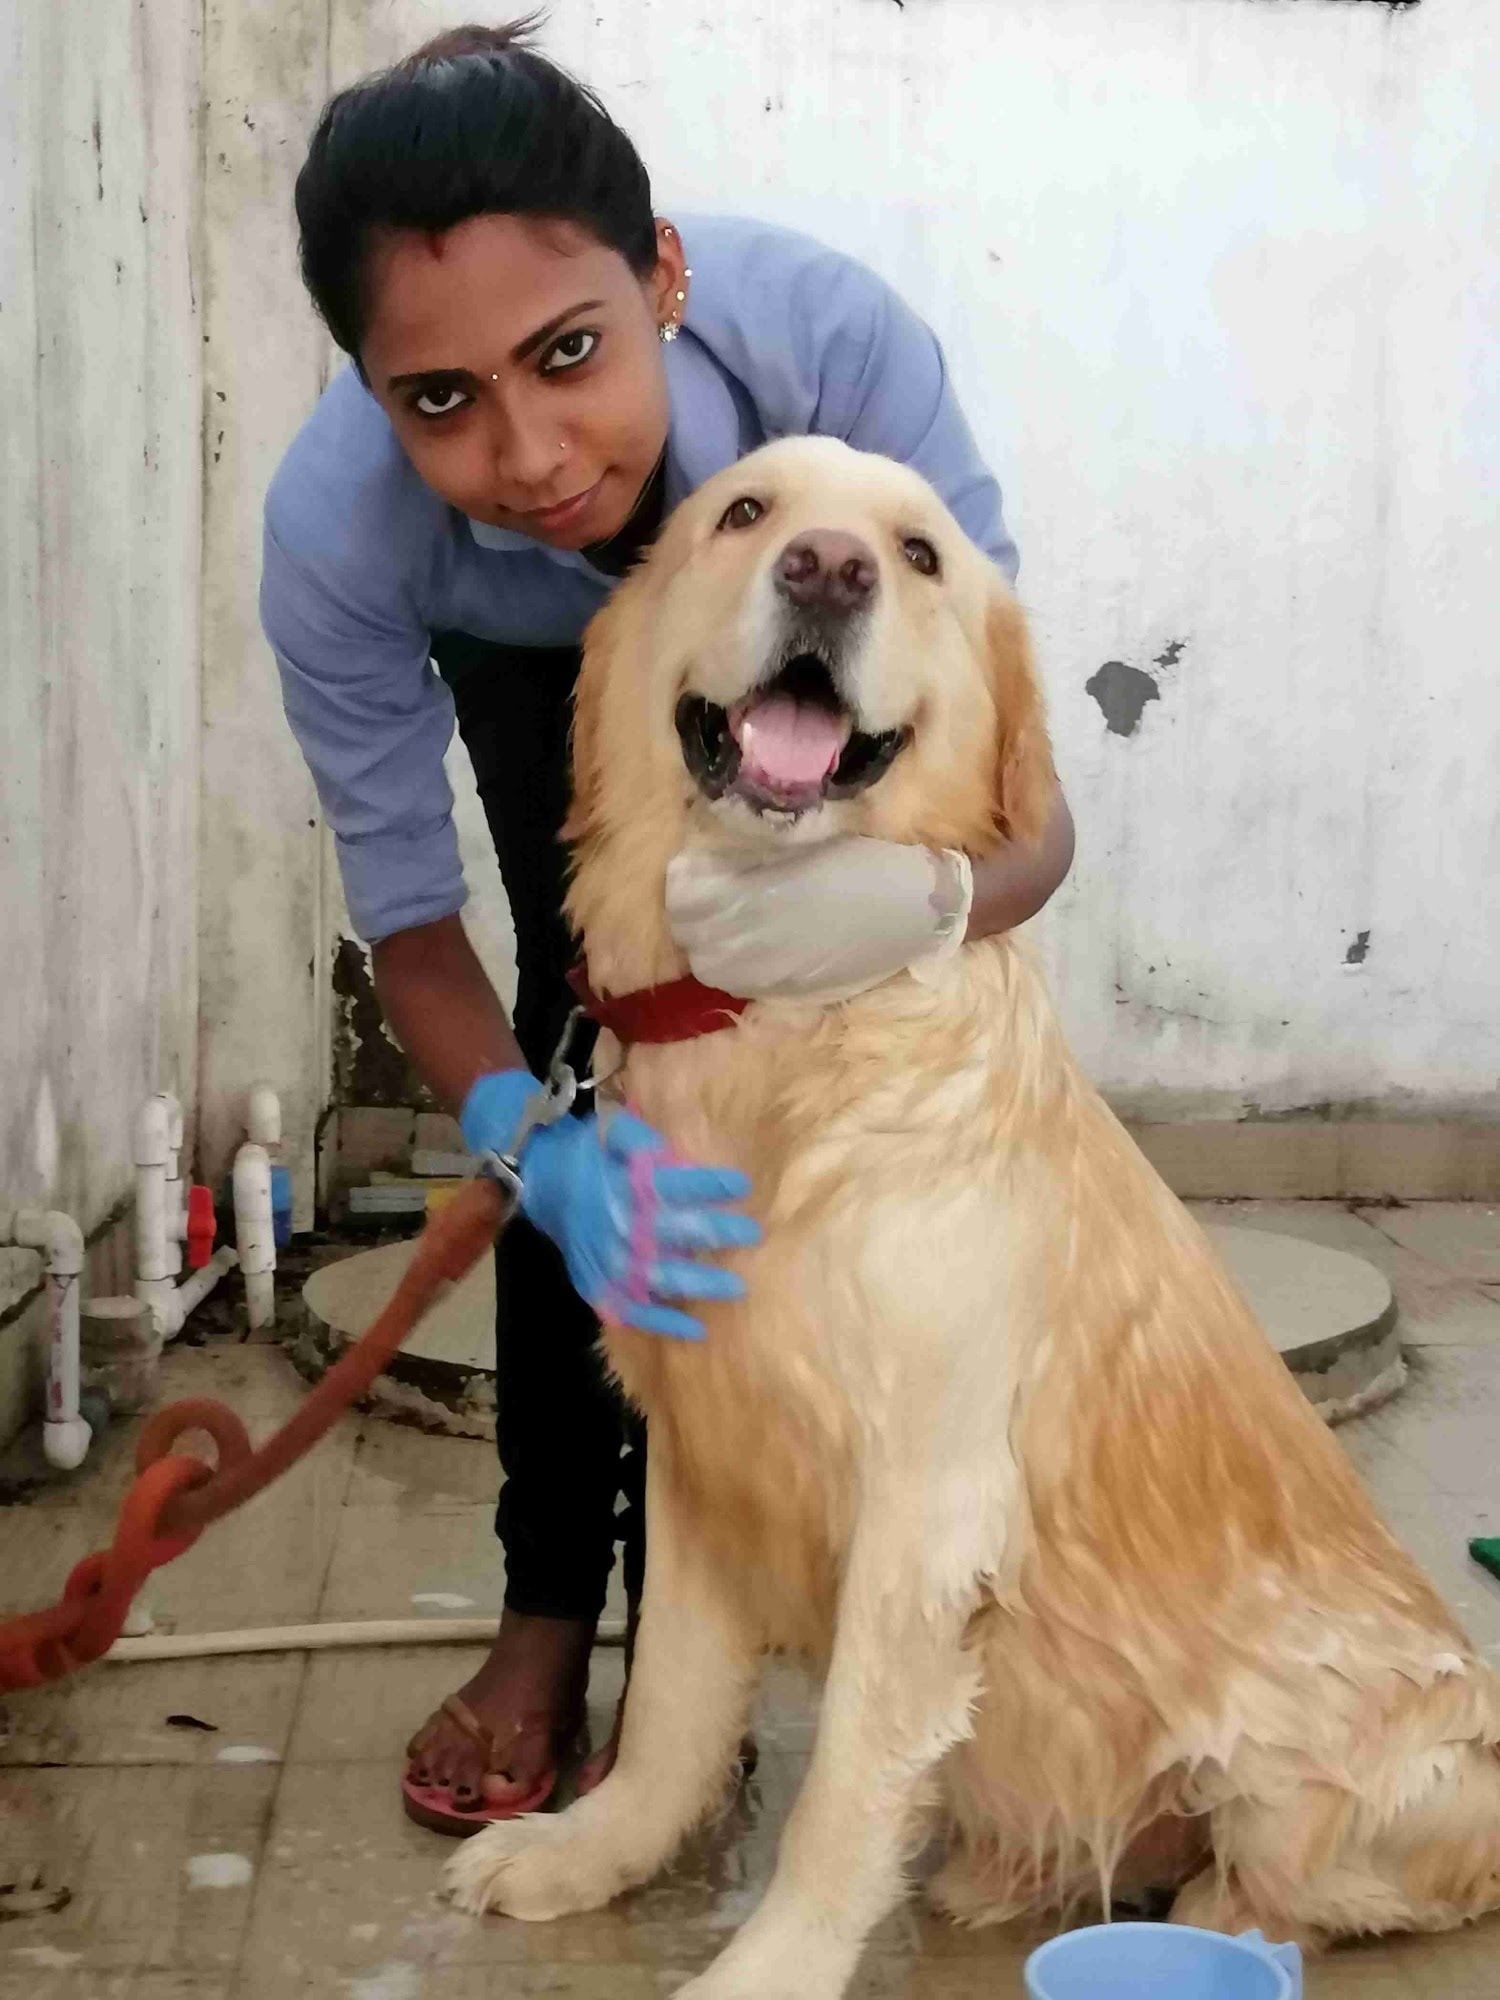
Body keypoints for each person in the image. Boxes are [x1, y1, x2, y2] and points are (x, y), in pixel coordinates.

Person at [263, 18, 1076, 1836]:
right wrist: (525, 1137)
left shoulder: (836, 347)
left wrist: (921, 904)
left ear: (667, 281)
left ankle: (728, 1647)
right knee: (587, 1065)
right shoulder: (340, 532)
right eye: (438, 401)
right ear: (369, 392)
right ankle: (553, 1612)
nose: (533, 454)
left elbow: (1025, 797)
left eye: (572, 353)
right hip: (525, 659)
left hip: (803, 646)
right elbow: (413, 931)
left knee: (794, 1079)